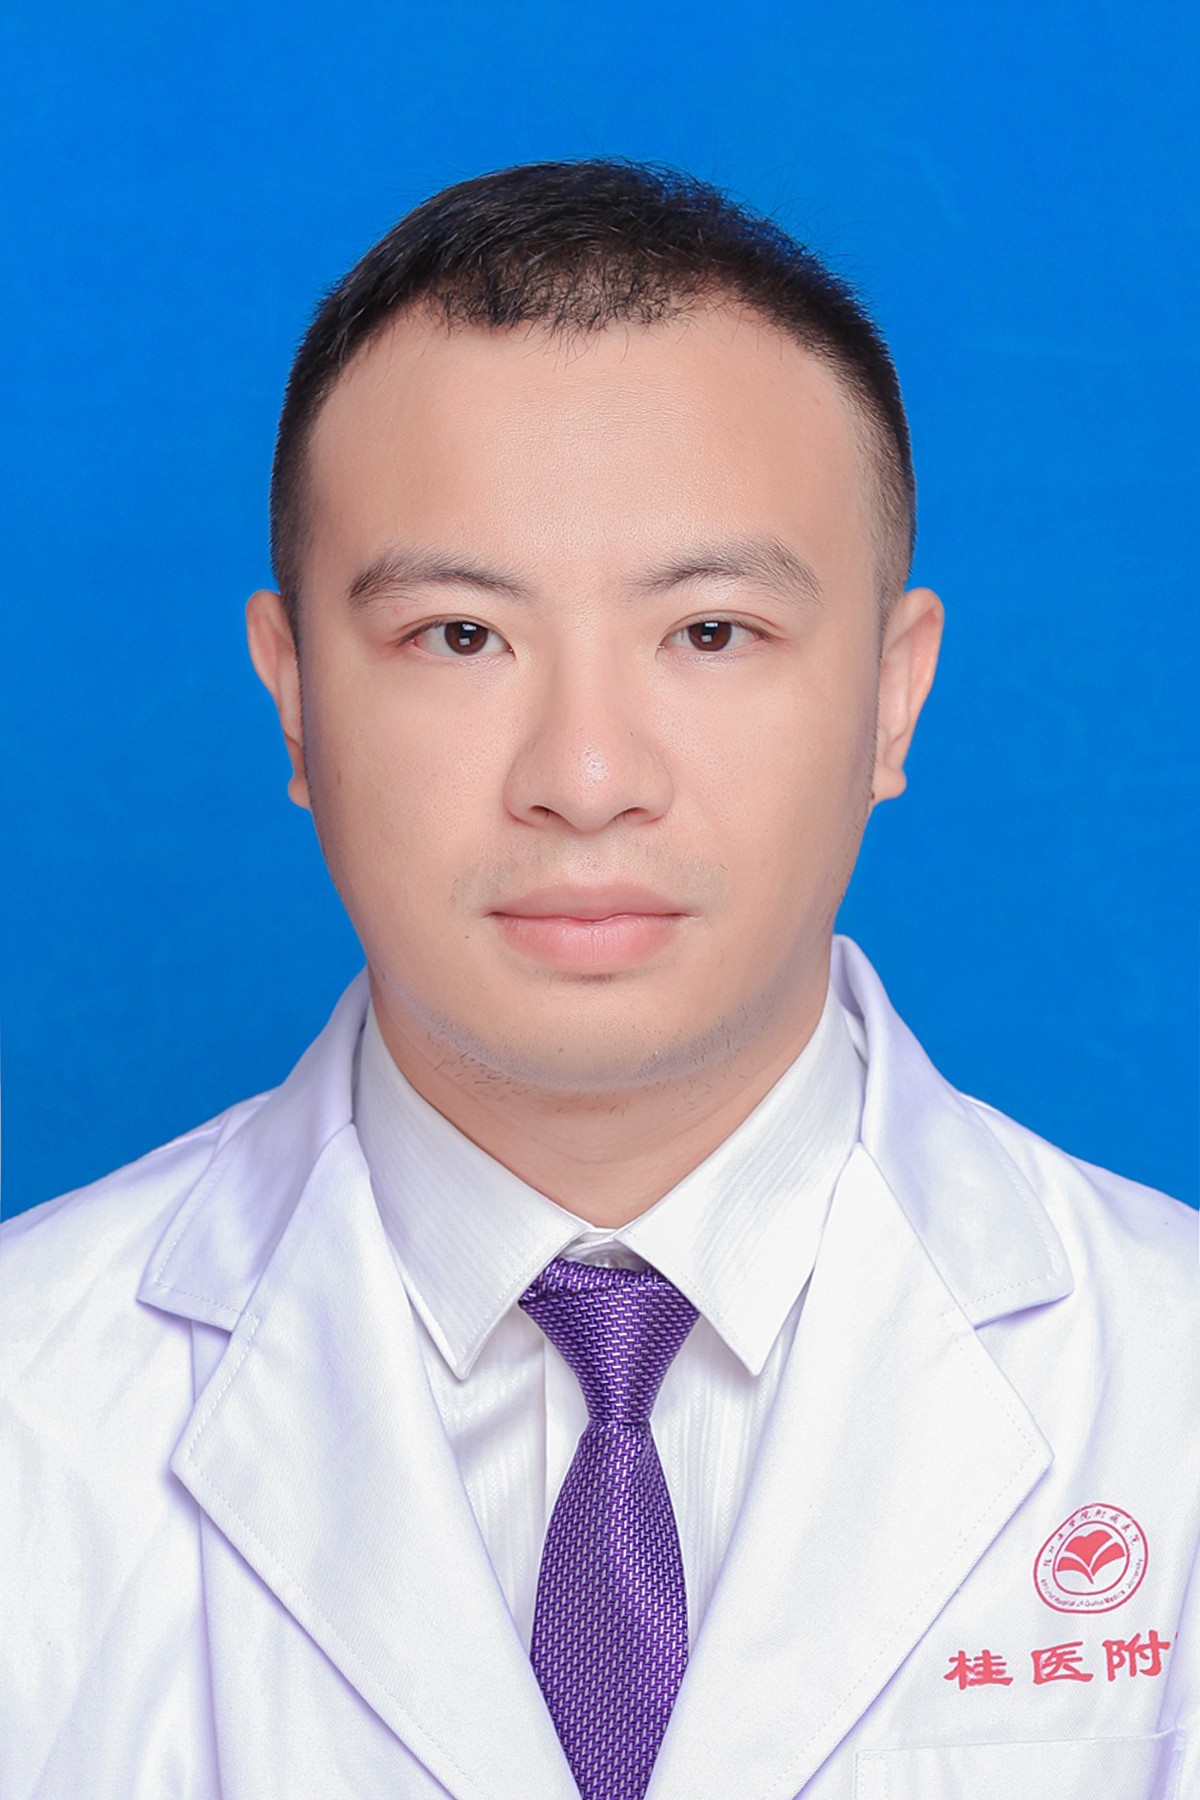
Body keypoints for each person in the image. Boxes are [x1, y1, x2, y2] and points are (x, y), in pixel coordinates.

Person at [1, 159, 1196, 1800]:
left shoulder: (1168, 1383)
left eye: (709, 633)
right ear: (295, 697)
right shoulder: (29, 1408)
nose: (583, 777)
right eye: (458, 636)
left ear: (892, 694)